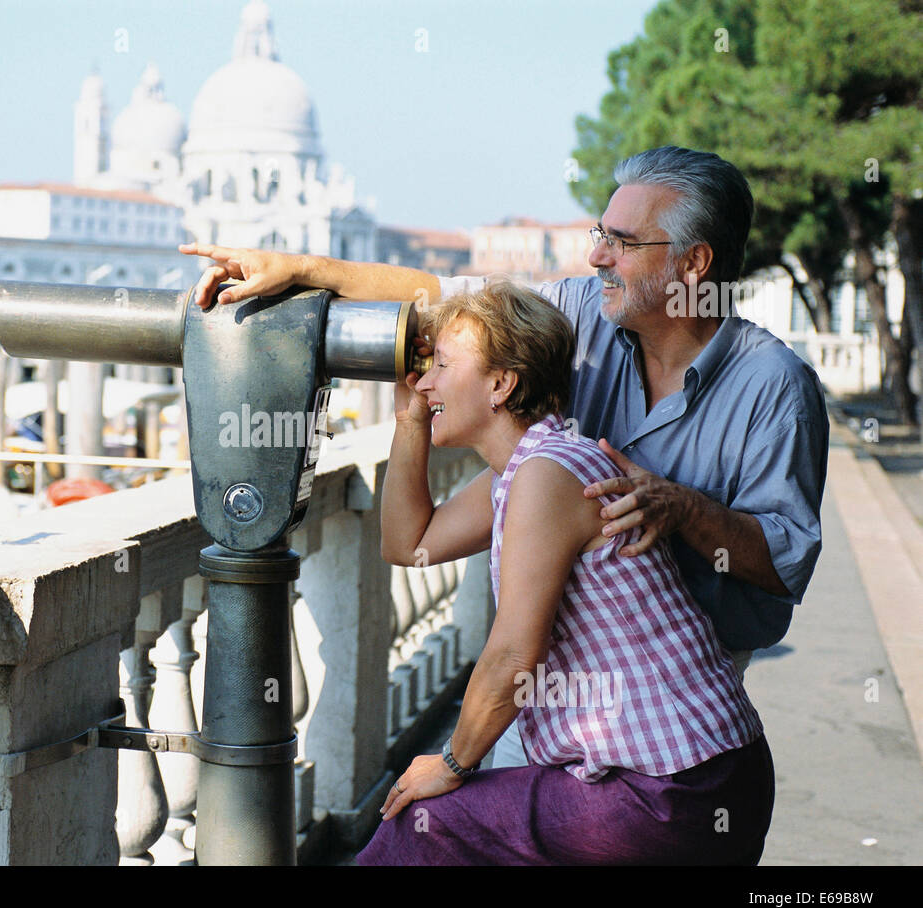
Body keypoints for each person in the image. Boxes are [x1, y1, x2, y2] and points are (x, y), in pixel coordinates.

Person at [181, 145, 829, 766]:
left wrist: (681, 508)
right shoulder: (581, 315)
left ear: (694, 266)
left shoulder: (774, 386)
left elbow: (784, 563)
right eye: (601, 231)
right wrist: (309, 273)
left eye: (623, 242)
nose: (596, 254)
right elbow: (441, 297)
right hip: (555, 678)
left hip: (677, 700)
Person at [354, 280, 773, 865]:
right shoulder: (527, 467)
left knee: (424, 824)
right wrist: (410, 423)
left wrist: (450, 762)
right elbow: (408, 543)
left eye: (442, 366)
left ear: (501, 384)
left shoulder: (548, 475)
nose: (426, 382)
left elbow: (513, 655)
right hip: (700, 772)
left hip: (674, 790)